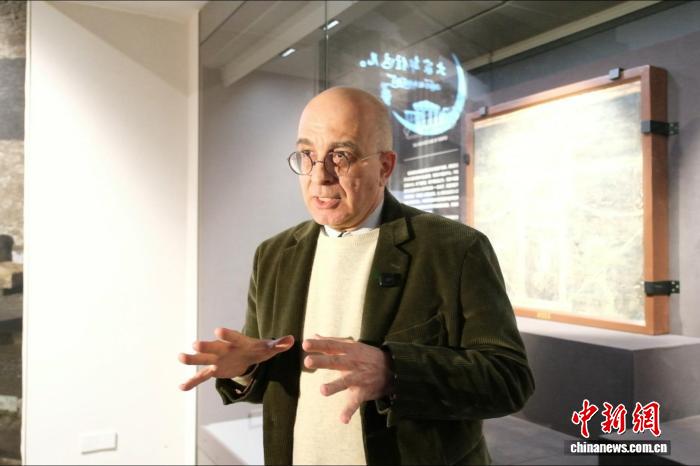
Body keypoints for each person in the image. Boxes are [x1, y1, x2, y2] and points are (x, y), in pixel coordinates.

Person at [179, 87, 534, 465]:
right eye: (307, 155)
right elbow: (274, 380)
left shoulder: (454, 248)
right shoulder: (274, 256)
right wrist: (245, 369)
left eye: (341, 156)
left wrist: (393, 372)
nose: (320, 177)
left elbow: (509, 380)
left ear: (385, 166)